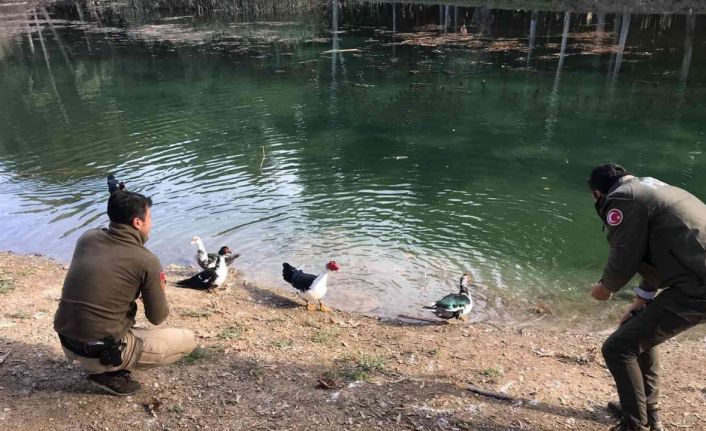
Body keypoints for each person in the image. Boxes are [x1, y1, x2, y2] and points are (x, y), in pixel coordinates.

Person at [588, 163, 706, 431]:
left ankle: (634, 425)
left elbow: (626, 253)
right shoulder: (651, 187)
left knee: (617, 348)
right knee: (636, 329)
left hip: (698, 288)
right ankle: (647, 413)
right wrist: (641, 300)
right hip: (695, 280)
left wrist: (606, 288)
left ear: (597, 193)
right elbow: (657, 250)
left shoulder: (620, 199)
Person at [54, 190, 196, 396]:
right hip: (101, 352)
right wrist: (158, 286)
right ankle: (109, 374)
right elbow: (157, 317)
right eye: (150, 218)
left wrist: (120, 200)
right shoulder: (147, 261)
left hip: (67, 340)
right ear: (137, 223)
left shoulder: (87, 238)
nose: (151, 224)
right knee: (187, 340)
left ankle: (104, 365)